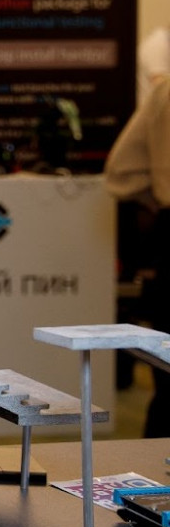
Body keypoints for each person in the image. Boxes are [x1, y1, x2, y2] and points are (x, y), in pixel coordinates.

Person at [105, 76, 170, 437]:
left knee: (168, 379)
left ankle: (154, 470)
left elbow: (121, 171)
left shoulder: (165, 91)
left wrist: (160, 199)